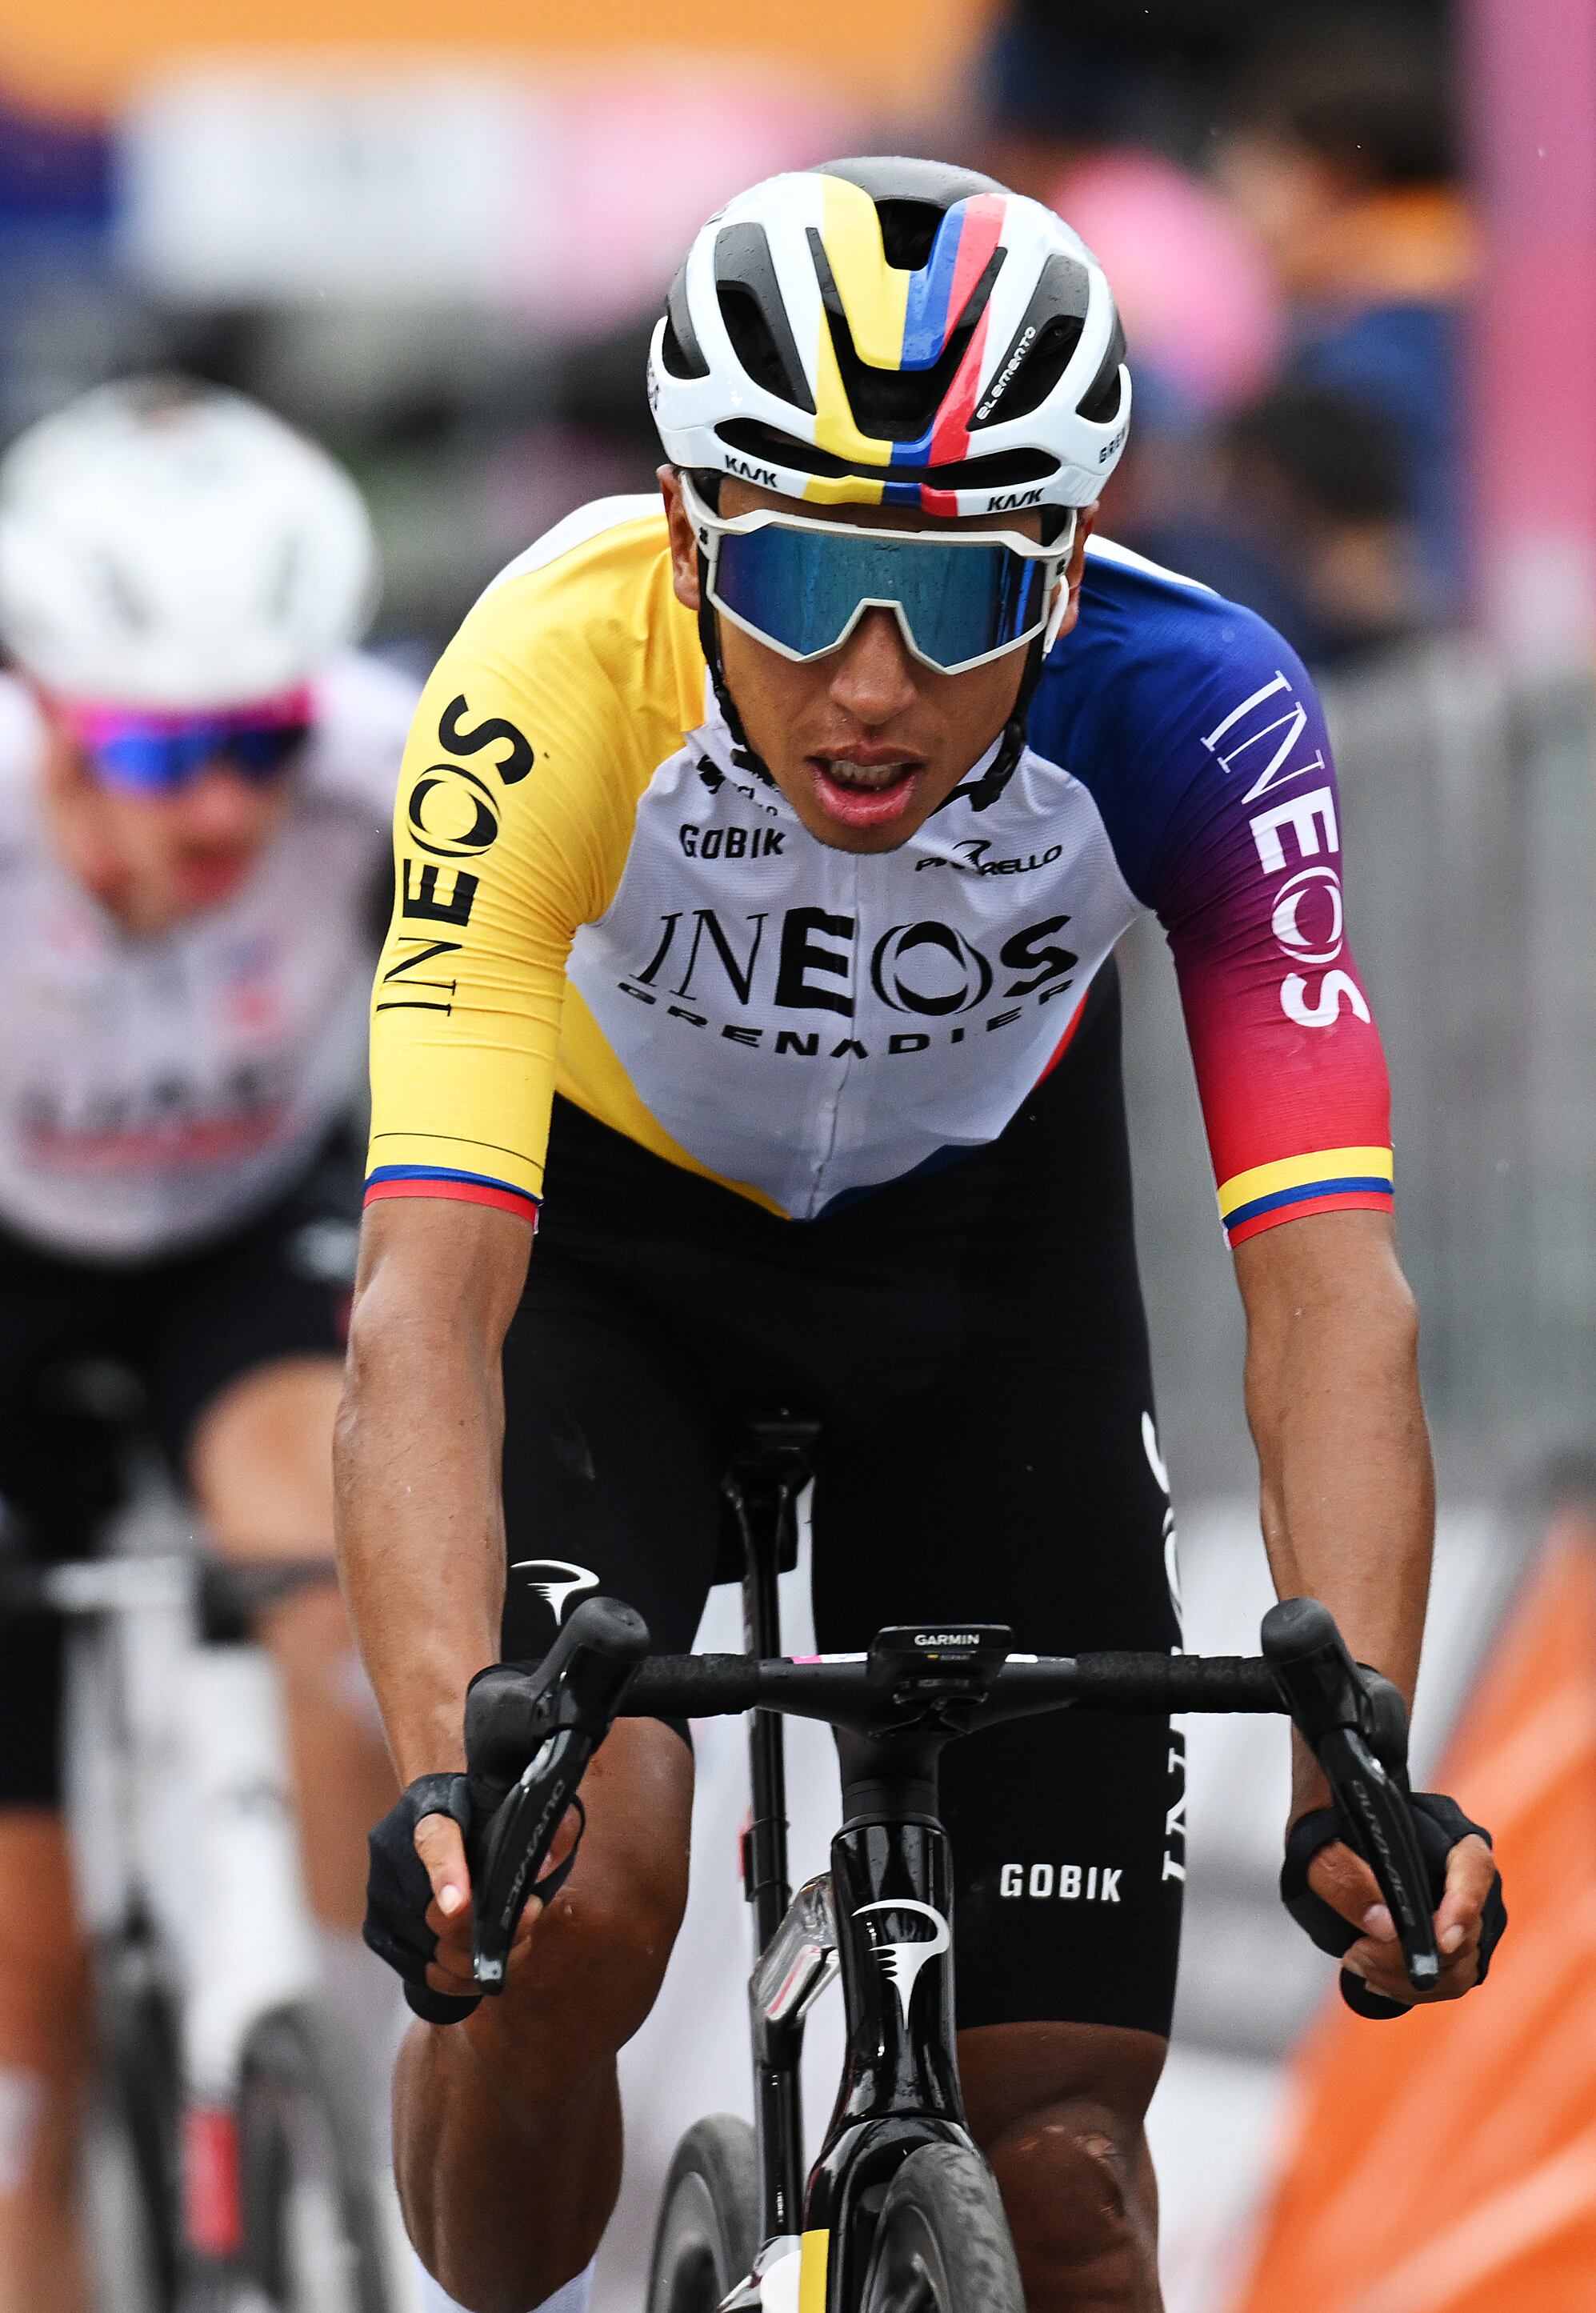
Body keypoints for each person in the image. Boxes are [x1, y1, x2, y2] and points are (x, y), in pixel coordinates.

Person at [342, 159, 1502, 2313]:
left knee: (1062, 2170)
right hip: (604, 1262)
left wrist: (1370, 1748)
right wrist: (447, 1758)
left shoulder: (1201, 706)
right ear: (690, 534)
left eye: (955, 602)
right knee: (574, 1910)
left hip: (977, 1264)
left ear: (1063, 574)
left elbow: (1330, 1272)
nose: (867, 682)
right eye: (792, 577)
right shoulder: (548, 669)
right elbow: (425, 1298)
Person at [0, 377, 413, 2313]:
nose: (227, 807)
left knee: (327, 1540)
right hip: (11, 1280)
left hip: (240, 1241)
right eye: (161, 750)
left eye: (257, 740)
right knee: (27, 1997)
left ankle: (366, 2041)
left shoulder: (386, 762)